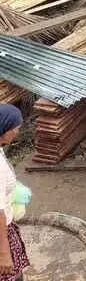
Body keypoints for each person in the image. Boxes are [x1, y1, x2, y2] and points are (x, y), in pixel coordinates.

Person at [0, 105, 29, 281]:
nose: (17, 132)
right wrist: (4, 252)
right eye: (15, 128)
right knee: (11, 274)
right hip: (2, 230)